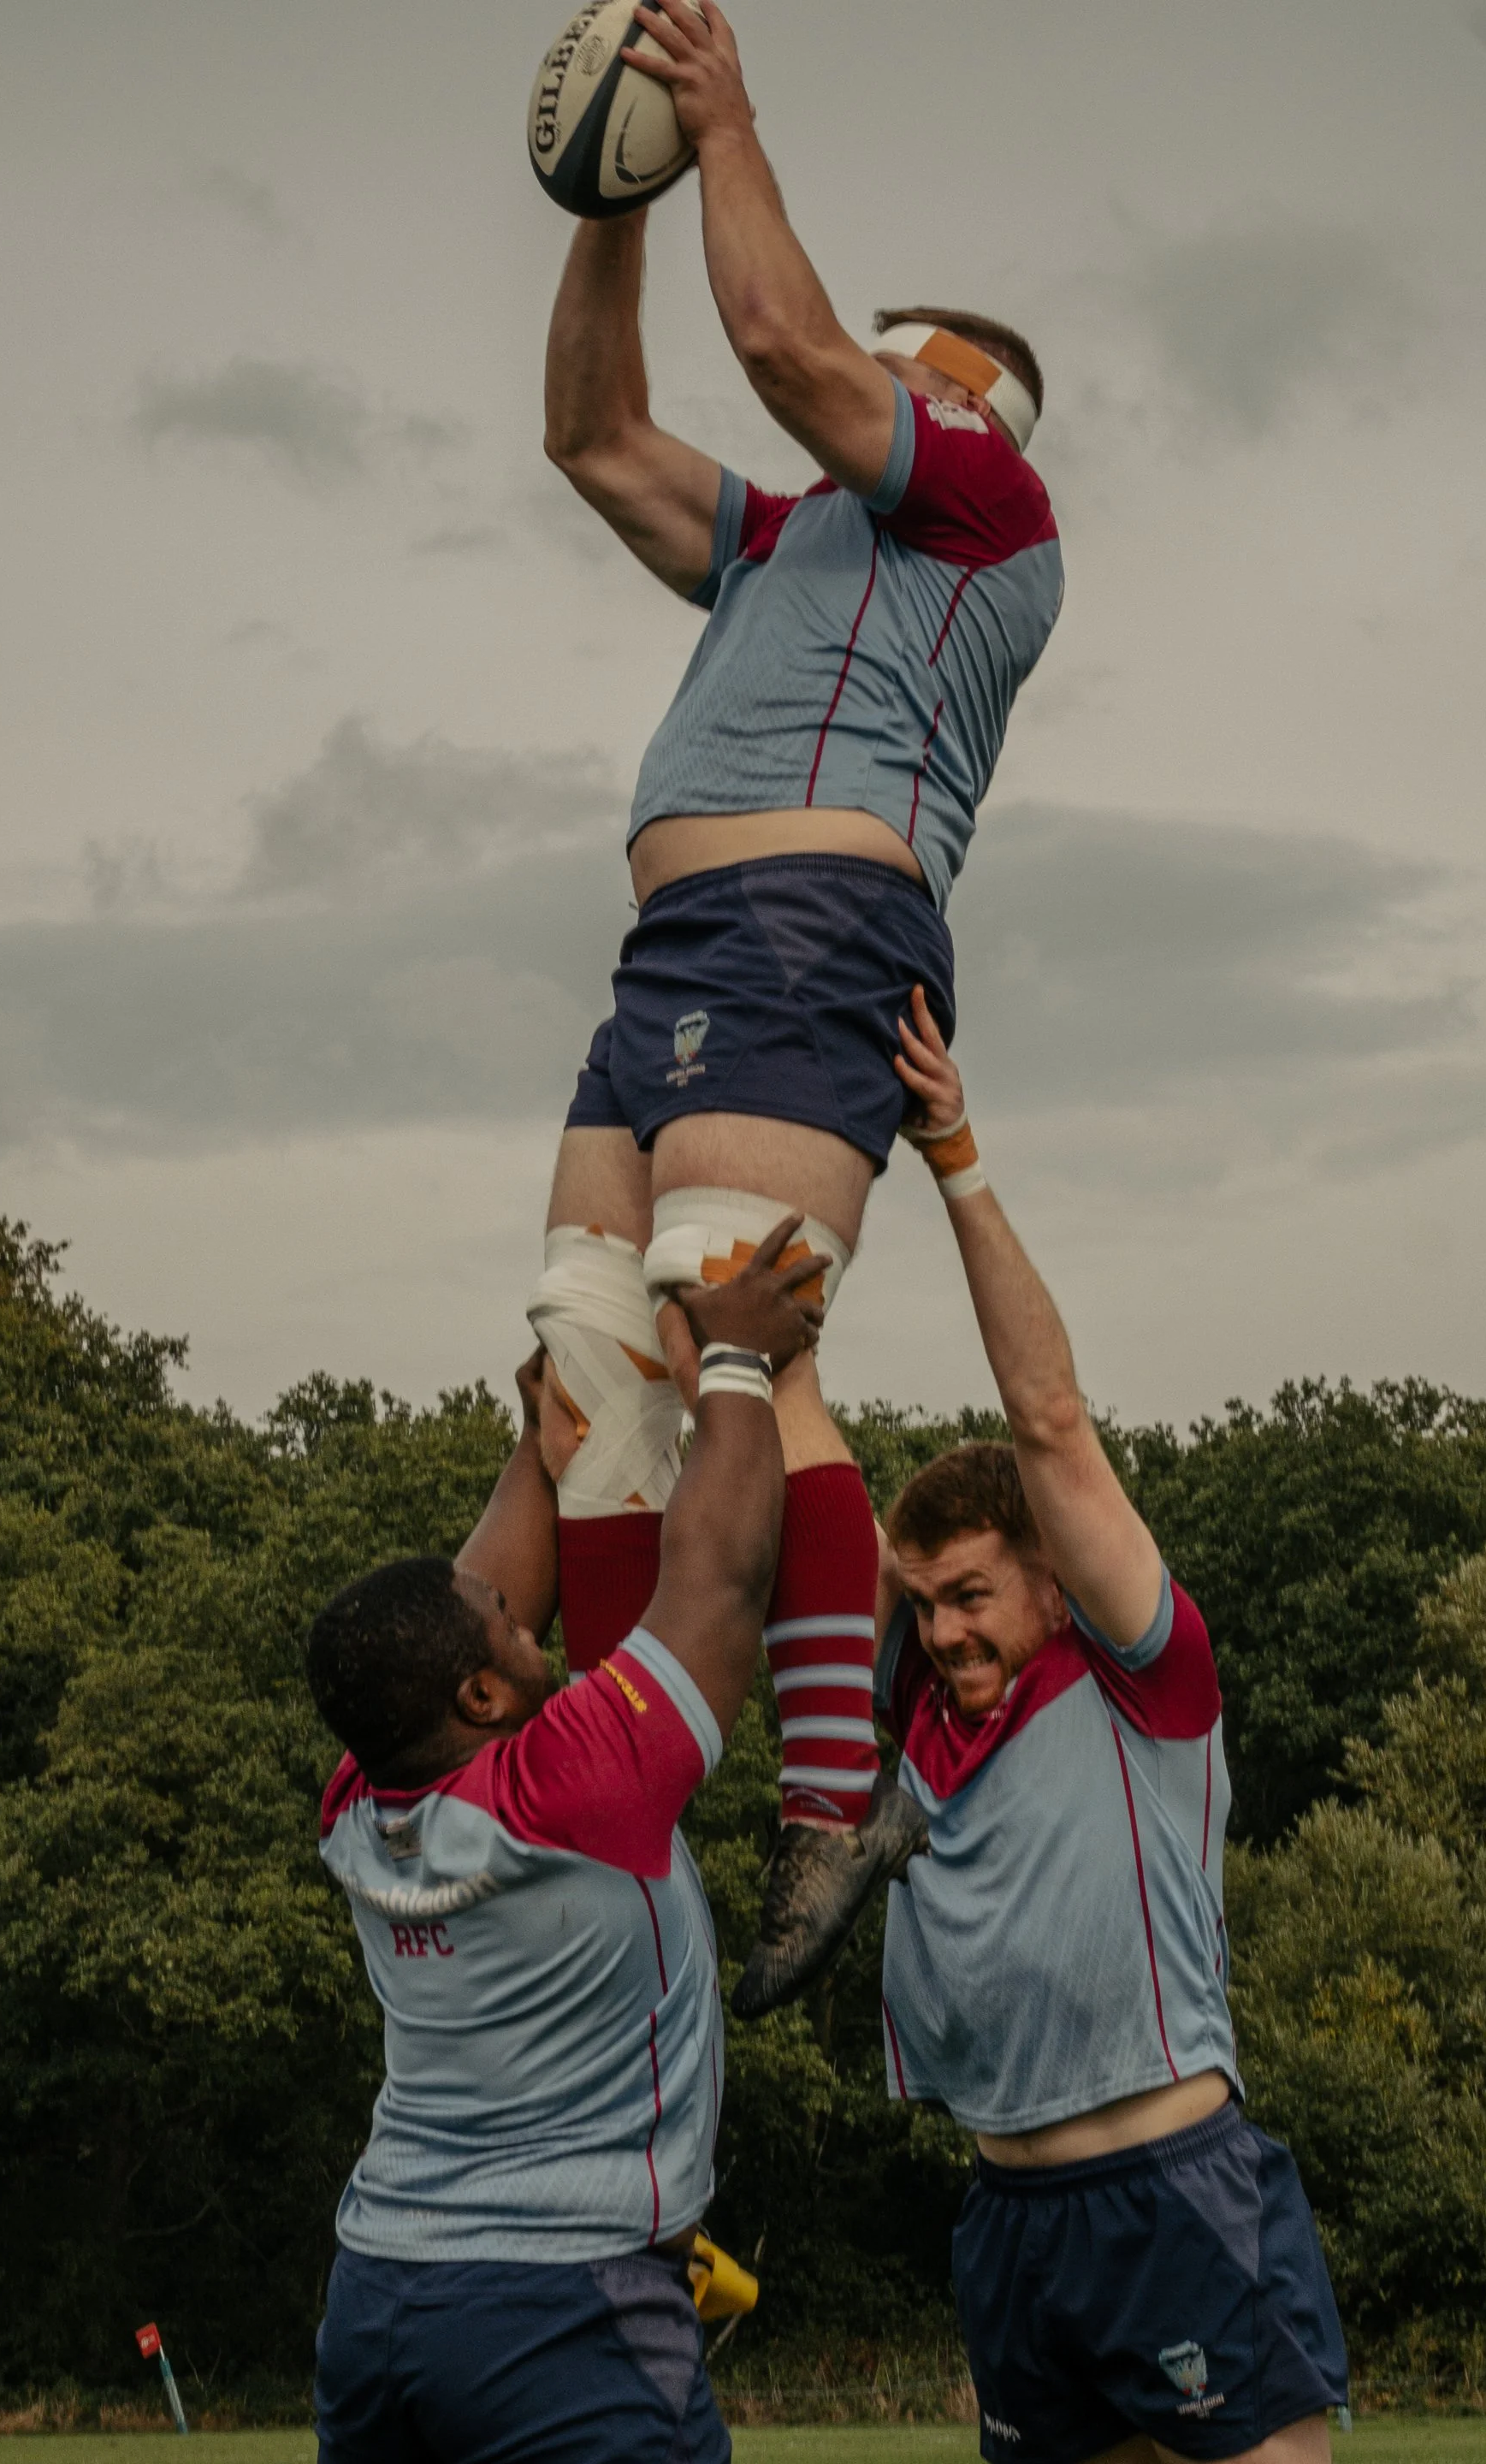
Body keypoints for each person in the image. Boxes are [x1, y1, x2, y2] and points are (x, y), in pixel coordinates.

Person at [43, 1237, 825, 2464]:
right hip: (565, 2309)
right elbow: (720, 1583)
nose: (532, 1617)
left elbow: (464, 1612)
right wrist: (732, 1361)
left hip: (390, 2296)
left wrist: (544, 1449)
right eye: (510, 1624)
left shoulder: (360, 1799)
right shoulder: (576, 1780)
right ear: (488, 1688)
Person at [870, 995, 1418, 2464]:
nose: (949, 1628)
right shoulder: (920, 1728)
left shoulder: (1140, 1680)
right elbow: (813, 1535)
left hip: (1176, 2198)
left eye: (976, 1590)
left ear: (1045, 1576)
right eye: (927, 1603)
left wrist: (950, 1161)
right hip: (1014, 2226)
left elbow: (1057, 1420)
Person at [528, 0, 1063, 2017]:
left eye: (969, 391)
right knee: (592, 1368)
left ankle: (828, 1801)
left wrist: (722, 116)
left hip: (811, 926)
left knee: (733, 1325)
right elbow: (589, 434)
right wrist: (613, 194)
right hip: (672, 950)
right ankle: (619, 1796)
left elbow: (784, 355)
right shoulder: (771, 542)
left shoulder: (987, 527)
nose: (956, 405)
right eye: (945, 375)